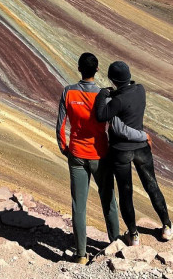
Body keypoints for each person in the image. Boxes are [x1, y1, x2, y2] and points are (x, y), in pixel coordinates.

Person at [56, 52, 145, 264]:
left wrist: (65, 147)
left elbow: (60, 124)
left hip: (76, 153)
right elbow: (114, 124)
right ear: (97, 70)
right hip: (100, 153)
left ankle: (80, 254)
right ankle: (114, 242)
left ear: (79, 68)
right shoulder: (104, 95)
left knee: (79, 204)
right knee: (109, 200)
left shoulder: (68, 92)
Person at [95, 61, 173, 246]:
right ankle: (167, 226)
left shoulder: (116, 101)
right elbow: (126, 96)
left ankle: (133, 235)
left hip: (121, 151)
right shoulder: (141, 90)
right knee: (152, 186)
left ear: (112, 80)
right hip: (141, 148)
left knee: (126, 193)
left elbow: (101, 115)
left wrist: (103, 94)